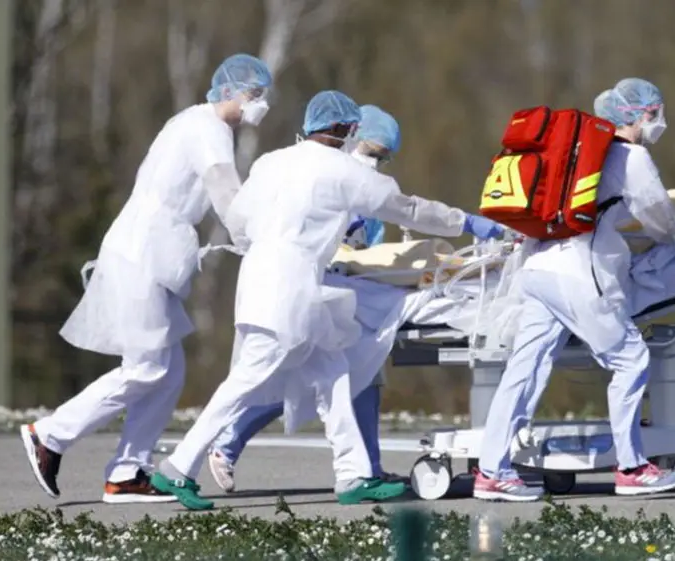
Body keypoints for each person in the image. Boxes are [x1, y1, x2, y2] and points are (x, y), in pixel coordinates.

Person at [150, 91, 505, 510]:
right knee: (246, 382)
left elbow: (239, 220)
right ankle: (178, 467)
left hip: (267, 279)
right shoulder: (343, 172)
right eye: (353, 129)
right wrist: (465, 222)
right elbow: (407, 209)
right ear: (343, 129)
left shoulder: (270, 162)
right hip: (290, 287)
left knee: (334, 373)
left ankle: (353, 474)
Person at [18, 54, 273, 504]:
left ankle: (127, 473)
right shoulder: (208, 130)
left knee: (169, 372)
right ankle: (50, 435)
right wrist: (261, 239)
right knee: (147, 368)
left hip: (153, 255)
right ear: (227, 91)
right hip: (143, 255)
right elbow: (226, 192)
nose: (260, 105)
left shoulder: (197, 123)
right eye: (252, 95)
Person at [473, 78, 675, 502]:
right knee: (631, 358)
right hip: (577, 273)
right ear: (637, 114)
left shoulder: (578, 153)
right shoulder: (631, 156)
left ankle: (492, 471)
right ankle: (631, 468)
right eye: (653, 113)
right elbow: (657, 214)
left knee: (524, 370)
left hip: (538, 268)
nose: (657, 121)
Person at [205, 104, 409, 493]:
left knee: (363, 376)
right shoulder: (321, 177)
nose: (376, 163)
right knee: (296, 377)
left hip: (346, 291)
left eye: (383, 158)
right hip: (307, 289)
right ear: (350, 137)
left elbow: (369, 247)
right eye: (372, 152)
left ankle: (368, 468)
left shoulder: (367, 188)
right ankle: (225, 442)